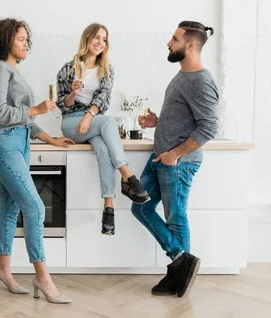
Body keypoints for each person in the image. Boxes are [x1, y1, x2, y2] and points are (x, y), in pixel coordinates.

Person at [0, 18, 74, 304]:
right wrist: (35, 108)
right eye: (20, 38)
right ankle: (43, 277)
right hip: (3, 144)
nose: (25, 44)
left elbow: (24, 121)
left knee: (9, 210)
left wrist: (51, 139)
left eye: (25, 39)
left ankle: (3, 270)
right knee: (34, 207)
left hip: (18, 144)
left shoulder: (13, 71)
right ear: (5, 40)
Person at [132, 21, 218, 297]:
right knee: (141, 208)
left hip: (177, 162)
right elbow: (185, 119)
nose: (169, 43)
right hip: (162, 158)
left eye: (175, 39)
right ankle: (182, 261)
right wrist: (158, 122)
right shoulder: (182, 76)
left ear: (191, 45)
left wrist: (175, 155)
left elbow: (209, 127)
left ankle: (178, 276)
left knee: (175, 217)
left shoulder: (201, 81)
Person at [57, 23, 150, 235]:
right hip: (71, 122)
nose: (101, 42)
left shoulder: (106, 70)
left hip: (92, 122)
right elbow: (63, 105)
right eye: (97, 37)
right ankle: (128, 176)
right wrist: (72, 93)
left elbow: (102, 98)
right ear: (87, 39)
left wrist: (89, 116)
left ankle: (108, 206)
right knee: (108, 122)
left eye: (104, 39)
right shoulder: (67, 69)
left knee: (102, 149)